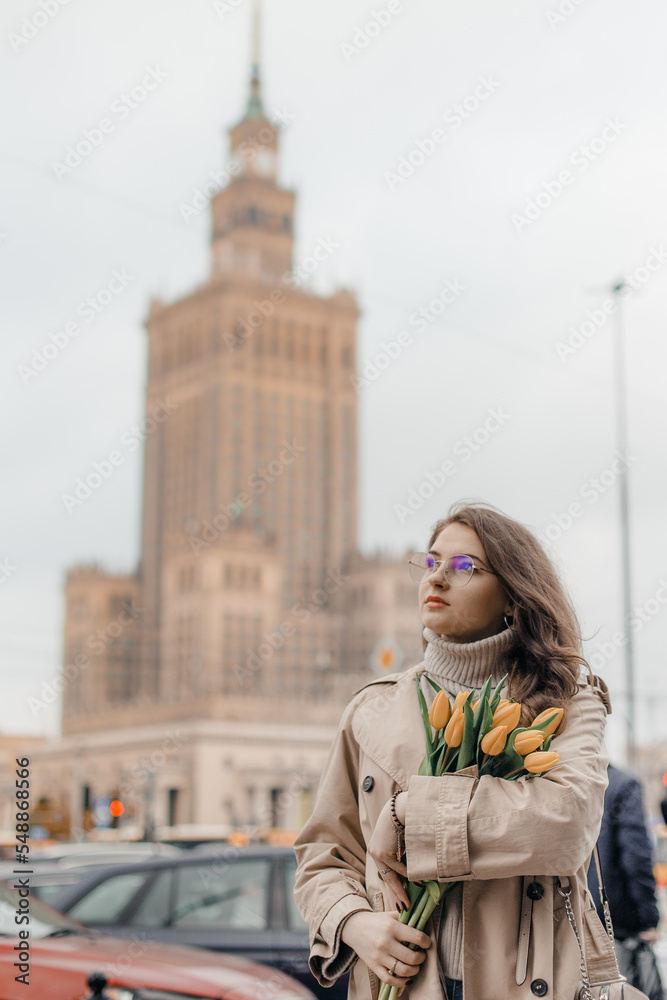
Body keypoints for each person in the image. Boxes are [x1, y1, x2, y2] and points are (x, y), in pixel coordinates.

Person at [294, 502, 613, 1000]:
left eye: (465, 567)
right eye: (431, 561)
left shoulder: (568, 700)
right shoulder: (372, 709)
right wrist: (354, 922)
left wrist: (405, 814)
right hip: (399, 981)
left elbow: (566, 822)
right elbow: (323, 855)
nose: (437, 577)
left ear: (512, 595)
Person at [588, 764, 663, 999]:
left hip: (576, 918)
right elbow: (636, 857)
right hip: (618, 920)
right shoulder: (622, 785)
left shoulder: (561, 783)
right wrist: (647, 919)